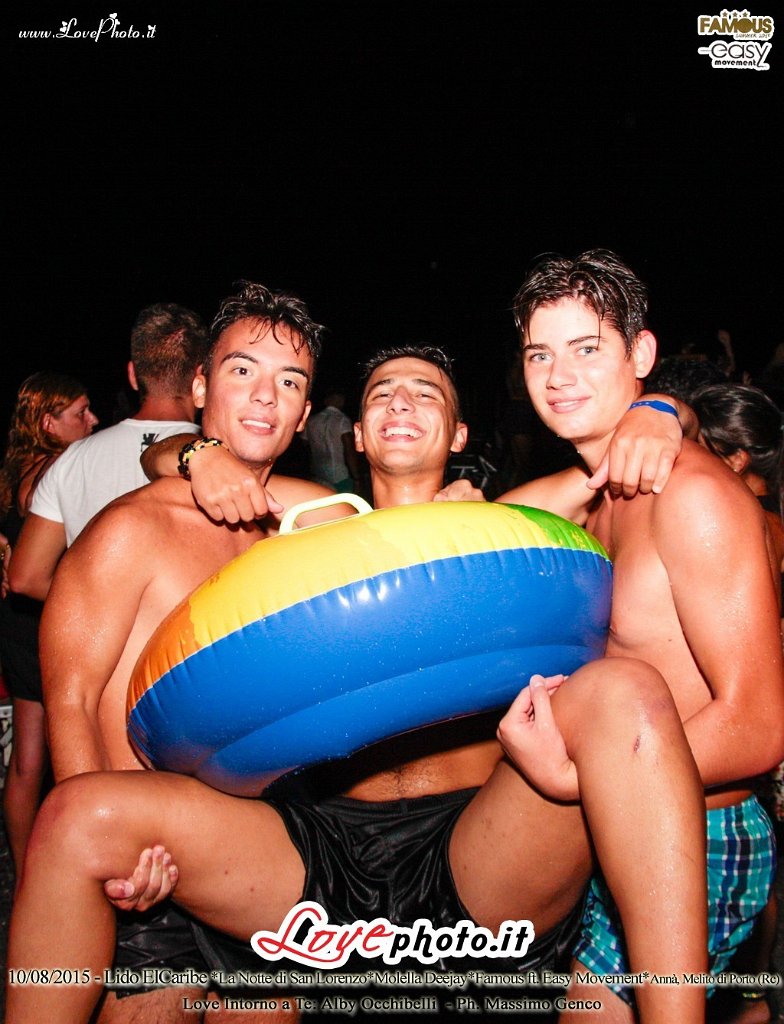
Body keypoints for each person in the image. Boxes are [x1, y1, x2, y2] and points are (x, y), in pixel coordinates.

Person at [8, 341, 709, 1024]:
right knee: (80, 815)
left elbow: (647, 441)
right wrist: (201, 454)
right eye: (381, 395)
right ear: (358, 437)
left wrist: (661, 409)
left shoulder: (516, 521)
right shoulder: (308, 520)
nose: (401, 403)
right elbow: (162, 460)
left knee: (625, 689)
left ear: (459, 433)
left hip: (478, 844)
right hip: (318, 848)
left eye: (425, 394)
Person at [501, 249, 784, 1020]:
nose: (559, 376)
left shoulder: (692, 496)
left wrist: (583, 777)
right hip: (622, 828)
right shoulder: (599, 501)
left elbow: (759, 726)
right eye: (539, 354)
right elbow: (489, 525)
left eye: (586, 349)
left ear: (641, 353)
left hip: (705, 832)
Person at [8, 303, 208, 601]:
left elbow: (26, 578)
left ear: (133, 374)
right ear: (202, 378)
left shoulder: (70, 459)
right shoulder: (216, 458)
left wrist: (101, 606)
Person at [691, 382, 784, 1024]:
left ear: (737, 458)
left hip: (749, 721)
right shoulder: (769, 520)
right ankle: (755, 992)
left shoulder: (737, 520)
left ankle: (751, 996)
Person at [0, 372, 98, 878]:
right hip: (48, 623)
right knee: (72, 758)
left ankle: (26, 878)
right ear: (47, 423)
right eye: (79, 412)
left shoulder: (15, 468)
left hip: (17, 625)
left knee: (27, 761)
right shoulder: (61, 468)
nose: (92, 420)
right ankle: (68, 874)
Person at [301, 386, 363, 493]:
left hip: (317, 475)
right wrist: (356, 476)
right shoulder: (342, 420)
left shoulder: (311, 420)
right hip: (340, 476)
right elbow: (349, 449)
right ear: (341, 401)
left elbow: (305, 446)